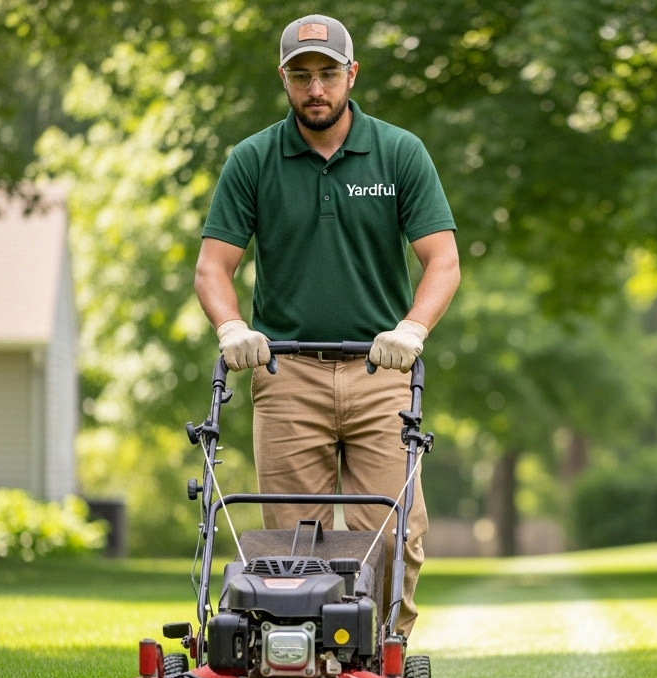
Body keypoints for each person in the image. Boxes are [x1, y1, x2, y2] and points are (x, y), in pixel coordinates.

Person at [193, 13, 460, 638]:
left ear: (351, 74)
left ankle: (383, 653)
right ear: (283, 79)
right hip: (286, 377)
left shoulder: (399, 152)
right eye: (301, 76)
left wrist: (412, 331)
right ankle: (298, 658)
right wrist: (233, 329)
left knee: (395, 533)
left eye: (328, 74)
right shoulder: (253, 159)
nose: (316, 89)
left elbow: (442, 261)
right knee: (290, 543)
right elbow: (213, 267)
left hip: (382, 373)